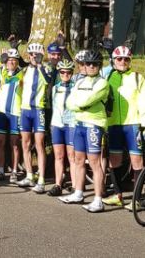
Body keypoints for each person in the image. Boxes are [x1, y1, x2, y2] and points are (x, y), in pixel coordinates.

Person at [60, 50, 109, 213]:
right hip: (79, 123)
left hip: (94, 125)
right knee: (78, 160)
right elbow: (69, 102)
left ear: (99, 66)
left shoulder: (102, 83)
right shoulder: (80, 82)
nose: (91, 66)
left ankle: (98, 200)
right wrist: (79, 105)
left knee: (94, 162)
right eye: (88, 63)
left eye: (95, 64)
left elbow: (87, 100)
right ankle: (78, 193)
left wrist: (79, 104)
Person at [102, 46, 145, 210]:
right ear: (114, 60)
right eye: (119, 58)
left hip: (133, 124)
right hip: (114, 125)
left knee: (137, 161)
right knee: (114, 160)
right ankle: (118, 195)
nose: (123, 61)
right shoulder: (108, 77)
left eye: (126, 59)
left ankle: (136, 199)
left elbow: (143, 101)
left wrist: (143, 124)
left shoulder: (137, 77)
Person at [17, 42, 51, 194]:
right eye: (31, 54)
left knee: (39, 144)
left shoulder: (45, 68)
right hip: (25, 110)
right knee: (25, 144)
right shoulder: (25, 70)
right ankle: (29, 175)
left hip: (38, 110)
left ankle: (41, 180)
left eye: (37, 55)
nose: (33, 57)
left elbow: (48, 80)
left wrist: (40, 65)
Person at [0, 48, 23, 182]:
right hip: (2, 112)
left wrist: (3, 65)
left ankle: (14, 171)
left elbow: (10, 80)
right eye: (9, 60)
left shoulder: (21, 74)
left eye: (14, 60)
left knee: (14, 144)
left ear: (17, 62)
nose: (11, 62)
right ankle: (1, 170)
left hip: (15, 112)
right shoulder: (2, 72)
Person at [48, 59, 76, 196]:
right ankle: (58, 184)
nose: (65, 74)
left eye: (68, 72)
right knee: (58, 156)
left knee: (72, 157)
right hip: (57, 124)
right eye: (62, 72)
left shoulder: (76, 87)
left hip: (71, 124)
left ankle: (75, 186)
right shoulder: (55, 88)